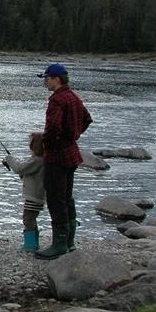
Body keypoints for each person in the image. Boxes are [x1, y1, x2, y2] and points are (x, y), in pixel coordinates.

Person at [35, 63, 92, 260]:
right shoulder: (73, 97)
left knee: (56, 200)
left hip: (57, 156)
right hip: (71, 155)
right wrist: (73, 136)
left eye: (47, 78)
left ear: (56, 79)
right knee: (67, 198)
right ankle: (69, 242)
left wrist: (48, 144)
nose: (45, 82)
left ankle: (59, 245)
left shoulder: (57, 100)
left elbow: (52, 128)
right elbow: (87, 119)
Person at [3, 132, 45, 252]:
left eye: (30, 142)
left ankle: (30, 245)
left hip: (34, 197)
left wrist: (9, 159)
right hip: (37, 196)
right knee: (31, 218)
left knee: (28, 218)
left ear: (34, 145)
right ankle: (34, 243)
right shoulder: (40, 160)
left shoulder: (36, 161)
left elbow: (19, 168)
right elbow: (26, 173)